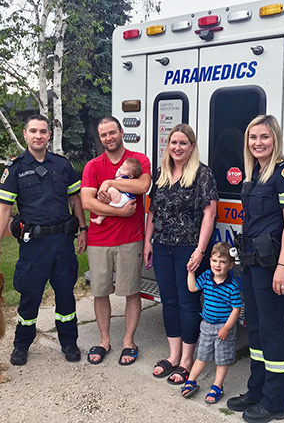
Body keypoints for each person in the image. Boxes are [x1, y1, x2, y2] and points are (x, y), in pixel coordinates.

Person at [0, 114, 88, 366]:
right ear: (25, 135)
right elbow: (4, 209)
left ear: (49, 135)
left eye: (43, 131)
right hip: (34, 246)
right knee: (30, 296)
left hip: (63, 242)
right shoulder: (16, 168)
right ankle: (21, 344)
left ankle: (68, 342)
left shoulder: (62, 165)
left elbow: (75, 200)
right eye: (33, 131)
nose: (38, 135)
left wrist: (83, 228)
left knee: (65, 294)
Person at [226, 115, 284, 423]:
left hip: (273, 264)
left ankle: (275, 403)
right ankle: (256, 391)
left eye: (264, 137)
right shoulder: (255, 172)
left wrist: (283, 266)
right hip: (252, 263)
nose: (258, 143)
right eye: (253, 137)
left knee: (272, 333)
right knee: (256, 331)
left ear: (275, 139)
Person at [144, 123, 218, 385]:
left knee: (187, 301)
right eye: (173, 143)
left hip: (189, 247)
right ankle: (173, 355)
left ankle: (187, 359)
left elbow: (210, 214)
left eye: (183, 143)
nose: (177, 147)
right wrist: (147, 242)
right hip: (163, 245)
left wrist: (200, 250)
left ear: (192, 147)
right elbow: (152, 211)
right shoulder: (162, 173)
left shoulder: (202, 174)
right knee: (169, 300)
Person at [81, 117, 151, 365]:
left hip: (130, 240)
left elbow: (143, 185)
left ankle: (128, 342)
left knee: (132, 292)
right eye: (103, 135)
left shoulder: (138, 160)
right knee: (101, 292)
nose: (108, 138)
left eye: (112, 132)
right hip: (99, 240)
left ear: (121, 132)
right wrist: (120, 212)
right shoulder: (92, 166)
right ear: (99, 138)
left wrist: (110, 182)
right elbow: (87, 202)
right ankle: (104, 341)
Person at [181, 242, 242, 404]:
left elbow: (236, 309)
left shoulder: (232, 286)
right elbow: (192, 288)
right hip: (206, 325)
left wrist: (227, 328)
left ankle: (217, 386)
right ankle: (191, 380)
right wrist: (190, 272)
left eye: (222, 262)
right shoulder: (207, 277)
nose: (218, 265)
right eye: (215, 260)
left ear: (230, 265)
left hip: (223, 328)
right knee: (201, 355)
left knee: (222, 359)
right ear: (210, 261)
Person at [90, 158, 142, 225]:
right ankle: (100, 218)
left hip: (123, 198)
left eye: (123, 169)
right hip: (122, 198)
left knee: (111, 190)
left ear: (130, 176)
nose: (120, 168)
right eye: (121, 166)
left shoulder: (125, 179)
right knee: (110, 191)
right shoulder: (127, 178)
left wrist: (117, 175)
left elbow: (117, 182)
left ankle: (104, 204)